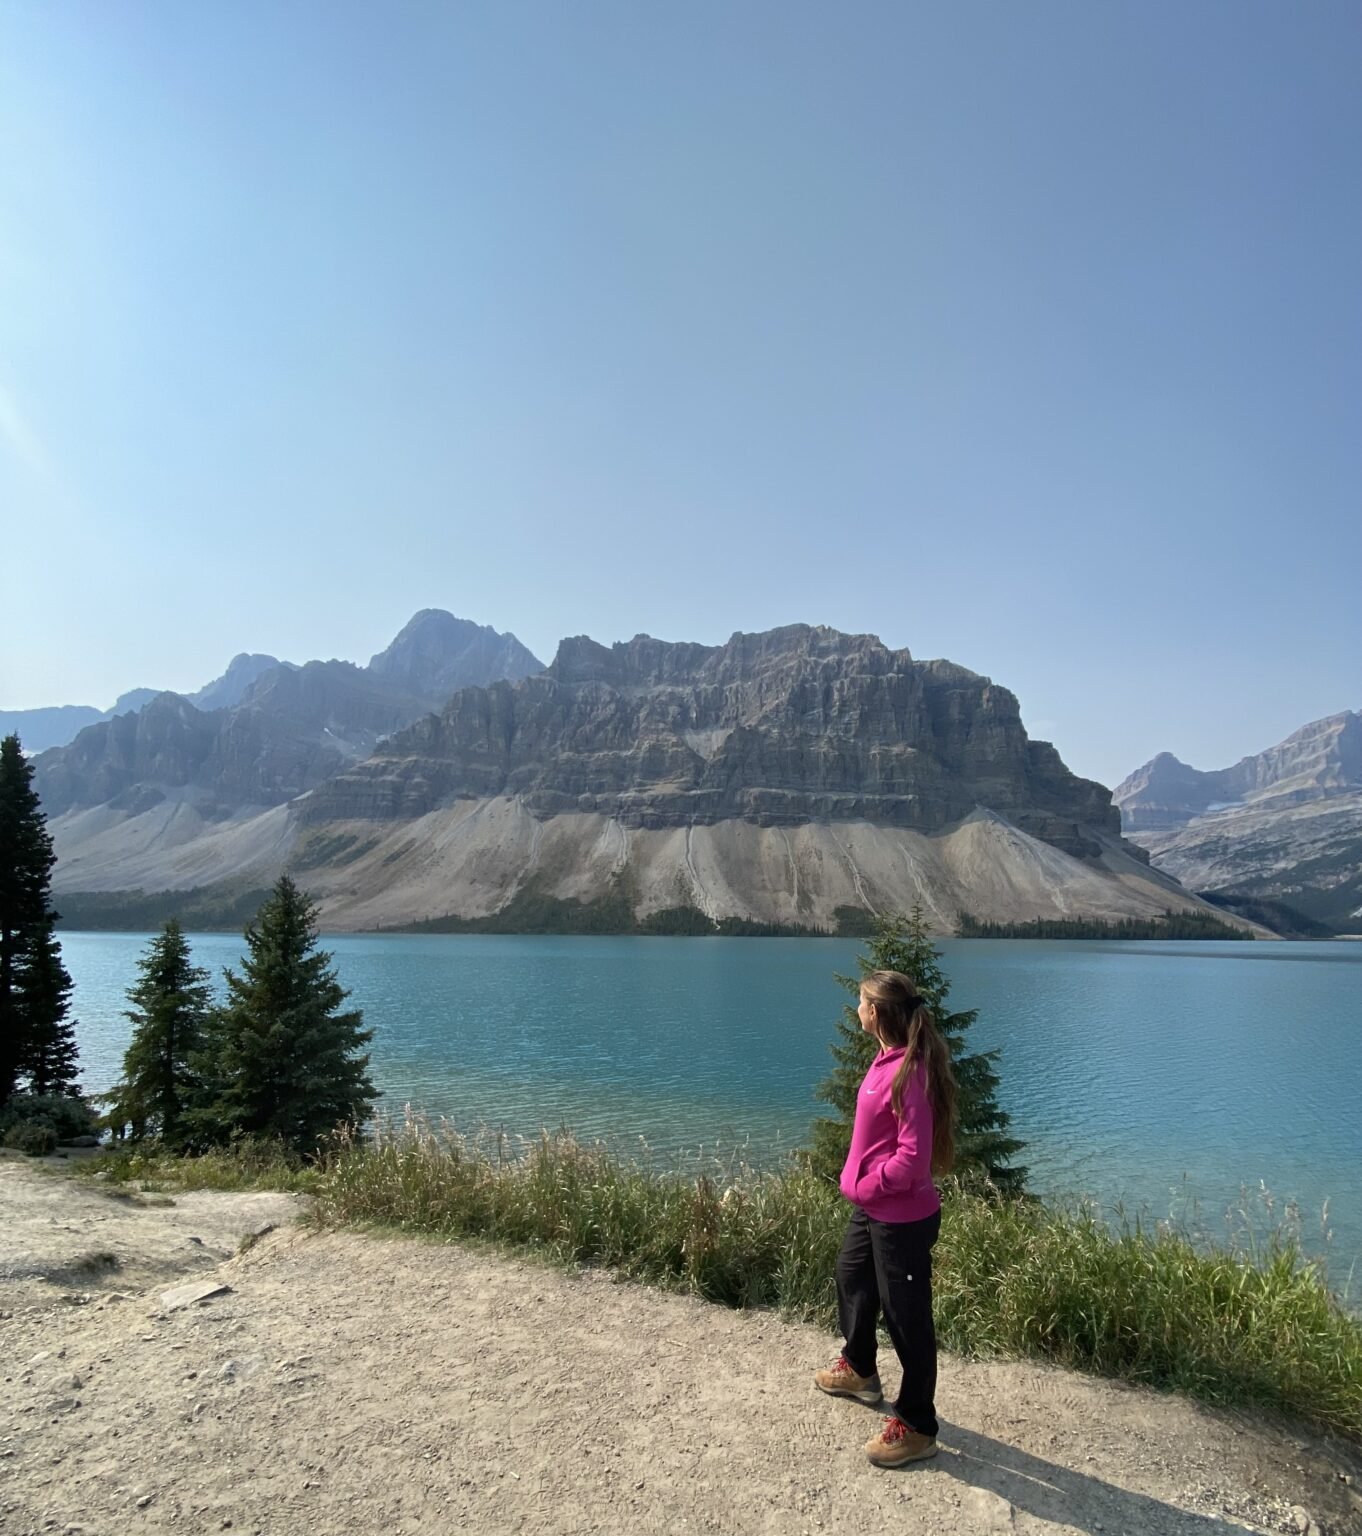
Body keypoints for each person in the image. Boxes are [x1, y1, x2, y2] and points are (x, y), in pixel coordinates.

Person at [813, 968, 957, 1468]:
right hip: (873, 1208)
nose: (855, 1009)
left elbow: (913, 1159)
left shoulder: (910, 1071)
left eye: (860, 1002)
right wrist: (862, 1185)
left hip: (901, 1217)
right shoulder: (886, 1059)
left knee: (907, 1318)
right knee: (851, 1276)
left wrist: (869, 1183)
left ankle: (918, 1426)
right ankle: (859, 1369)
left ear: (875, 1013)